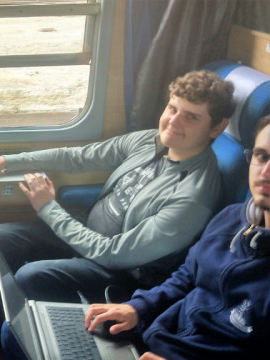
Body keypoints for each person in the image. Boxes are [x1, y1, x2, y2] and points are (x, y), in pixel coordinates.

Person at [0, 70, 235, 329]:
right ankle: (8, 319)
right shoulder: (149, 141)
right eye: (172, 108)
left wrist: (48, 208)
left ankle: (48, 332)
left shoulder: (193, 196)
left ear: (217, 127)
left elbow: (113, 254)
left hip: (121, 272)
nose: (173, 122)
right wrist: (7, 162)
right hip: (87, 231)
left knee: (30, 275)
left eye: (191, 117)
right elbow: (79, 157)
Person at [83, 114, 270, 359]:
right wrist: (138, 307)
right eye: (262, 156)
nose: (265, 172)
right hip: (156, 337)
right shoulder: (233, 218)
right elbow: (188, 276)